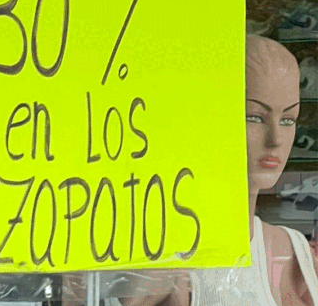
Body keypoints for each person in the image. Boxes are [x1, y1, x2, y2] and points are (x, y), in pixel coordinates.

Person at [98, 35, 318, 306]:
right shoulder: (168, 268)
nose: (275, 139)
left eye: (287, 120)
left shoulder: (294, 254)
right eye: (253, 117)